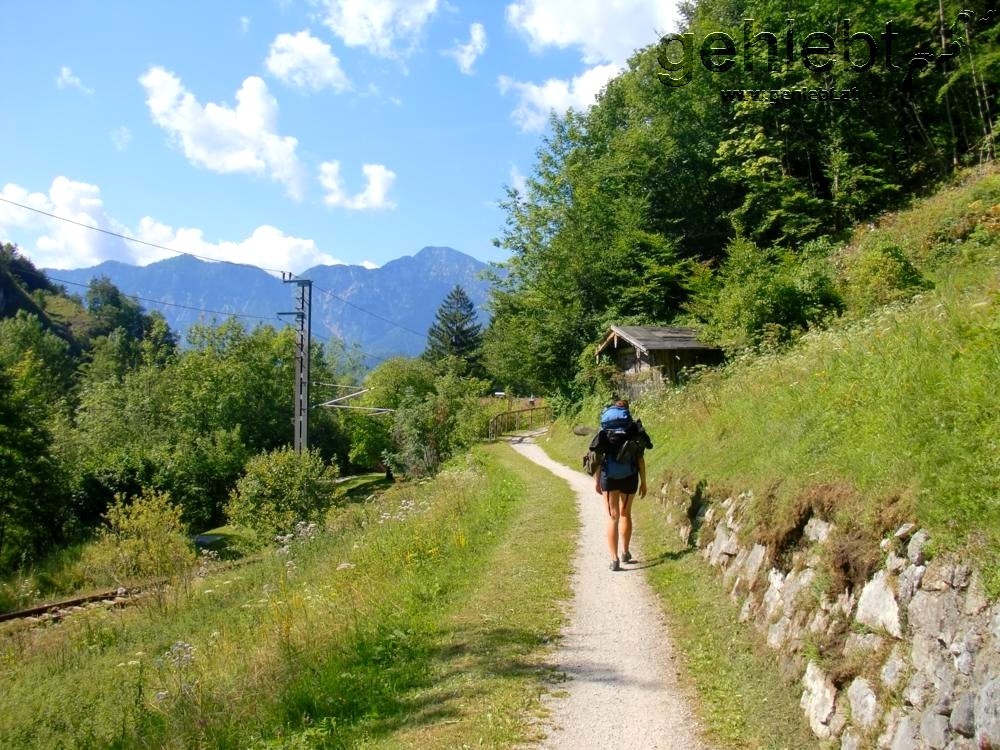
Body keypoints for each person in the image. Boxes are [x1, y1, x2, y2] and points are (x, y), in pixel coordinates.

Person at [595, 398, 648, 571]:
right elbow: (640, 459)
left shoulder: (604, 431)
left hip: (608, 478)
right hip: (630, 476)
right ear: (627, 411)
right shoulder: (633, 429)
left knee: (612, 516)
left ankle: (614, 559)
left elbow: (597, 459)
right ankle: (625, 552)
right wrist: (644, 482)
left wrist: (597, 481)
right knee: (625, 514)